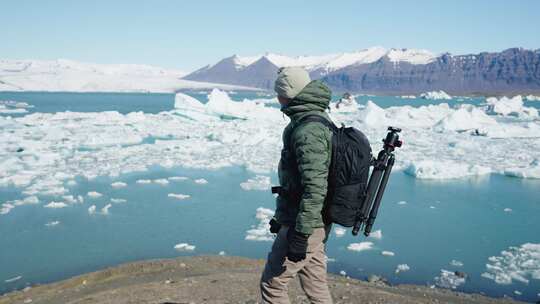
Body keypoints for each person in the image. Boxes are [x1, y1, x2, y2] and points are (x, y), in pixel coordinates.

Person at [260, 67, 333, 304]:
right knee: (315, 285)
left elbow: (314, 187)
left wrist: (301, 233)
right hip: (312, 220)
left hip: (307, 224)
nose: (276, 97)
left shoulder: (308, 130)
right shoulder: (312, 119)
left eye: (278, 91)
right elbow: (296, 185)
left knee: (273, 285)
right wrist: (281, 218)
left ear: (288, 93)